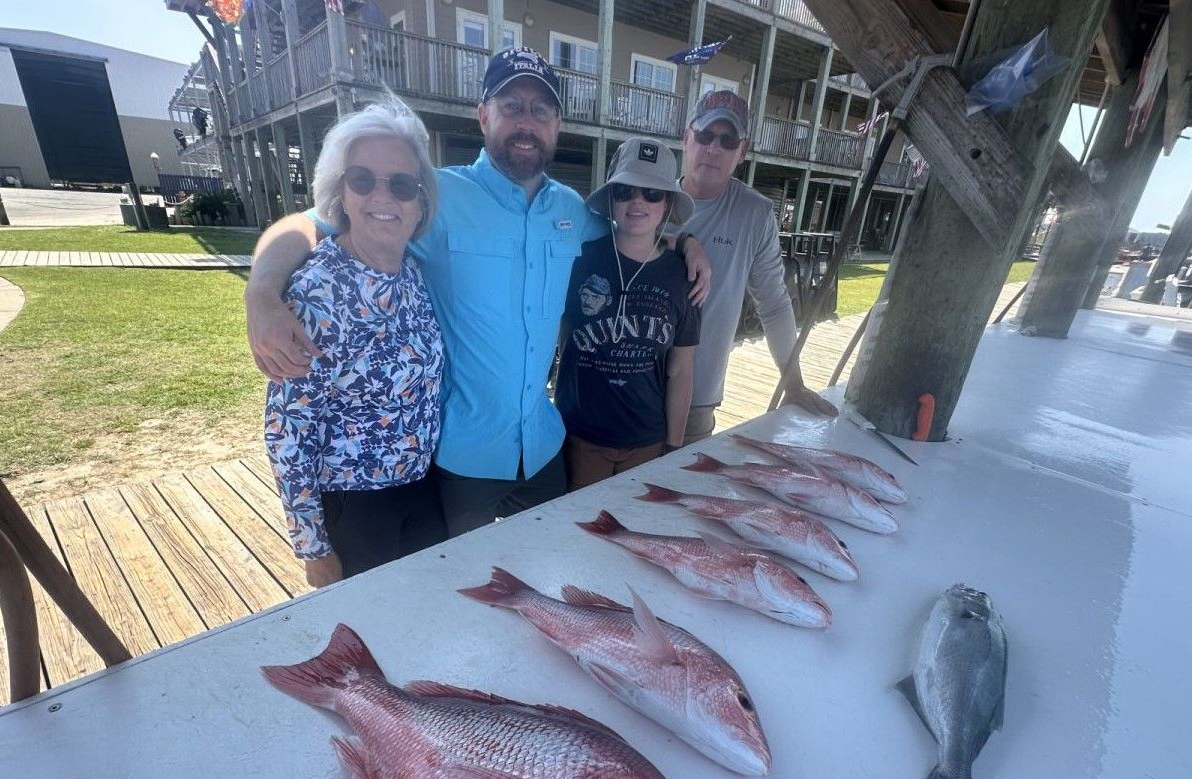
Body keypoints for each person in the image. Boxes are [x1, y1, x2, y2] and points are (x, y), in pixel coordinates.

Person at [244, 48, 710, 537]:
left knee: (552, 558)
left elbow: (633, 227)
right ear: (483, 114)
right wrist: (262, 294)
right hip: (463, 454)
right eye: (511, 107)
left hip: (545, 445)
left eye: (541, 110)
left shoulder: (571, 211)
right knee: (464, 582)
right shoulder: (436, 198)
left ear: (557, 125)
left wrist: (685, 240)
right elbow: (307, 224)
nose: (526, 122)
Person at [263, 97, 445, 587]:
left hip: (422, 490)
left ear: (420, 201)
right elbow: (287, 434)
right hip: (356, 511)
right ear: (341, 192)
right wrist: (313, 548)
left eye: (402, 185)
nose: (383, 197)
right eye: (363, 179)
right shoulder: (316, 291)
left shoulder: (413, 271)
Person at [676, 89, 838, 444]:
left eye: (728, 140)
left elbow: (775, 304)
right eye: (705, 136)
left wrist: (793, 385)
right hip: (633, 388)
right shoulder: (647, 199)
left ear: (742, 151)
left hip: (697, 398)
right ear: (686, 138)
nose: (713, 148)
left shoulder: (756, 214)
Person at [556, 137, 699, 489]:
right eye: (625, 191)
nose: (638, 201)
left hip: (647, 439)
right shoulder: (577, 258)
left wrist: (674, 445)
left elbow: (681, 370)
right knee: (581, 533)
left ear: (667, 205)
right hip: (581, 437)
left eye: (652, 193)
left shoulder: (684, 275)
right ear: (611, 198)